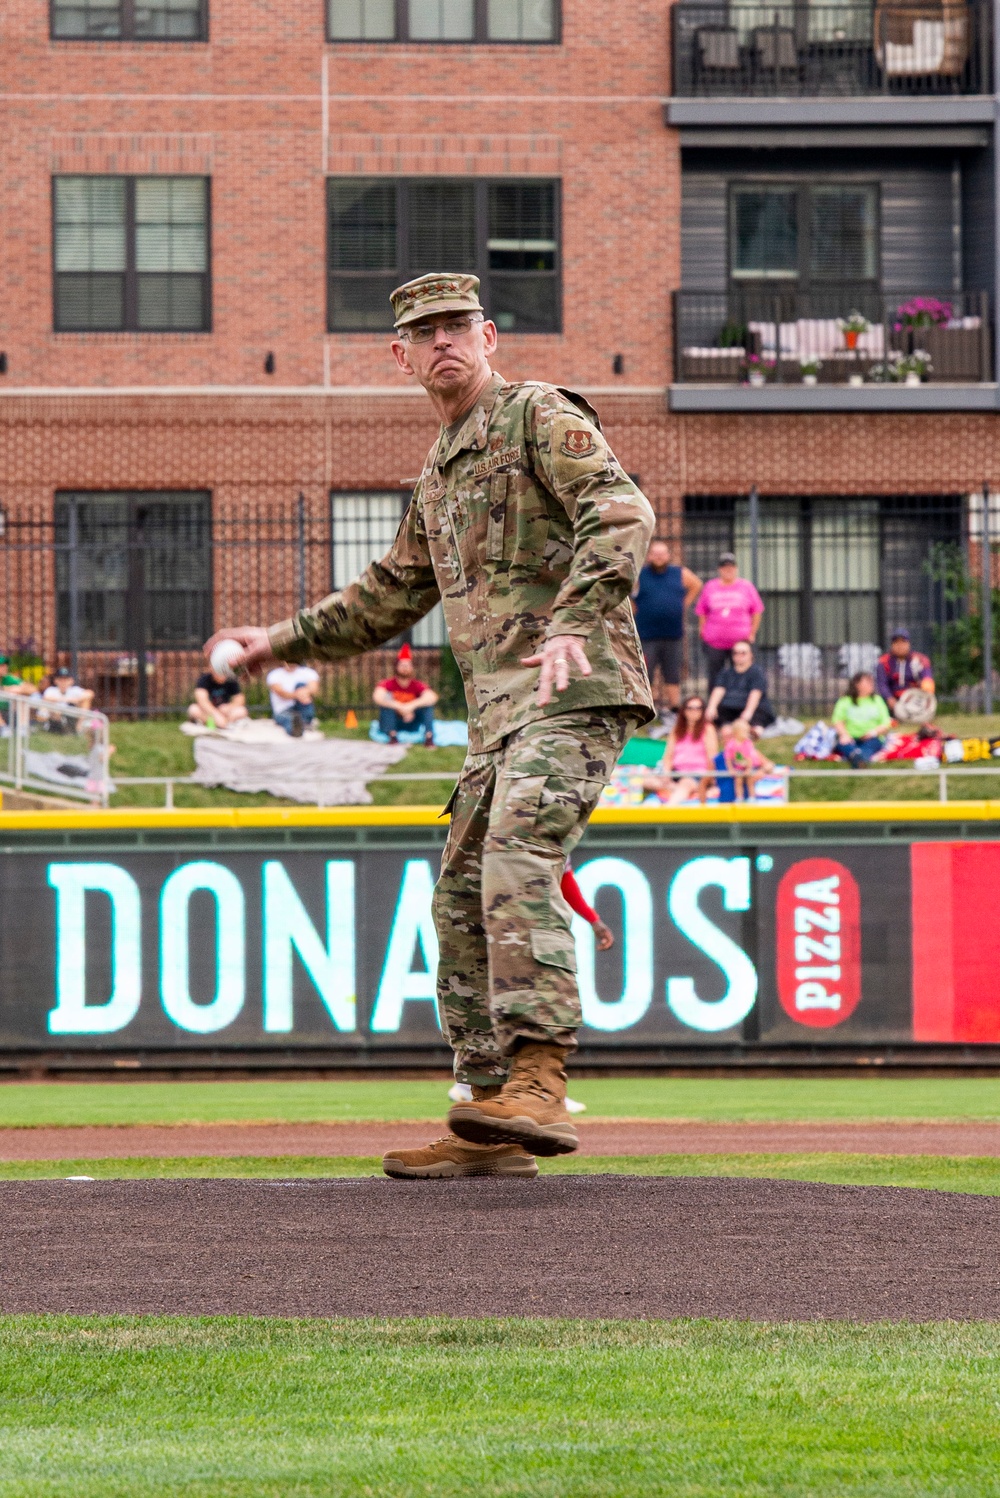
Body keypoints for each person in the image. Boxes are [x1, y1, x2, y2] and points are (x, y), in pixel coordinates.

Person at [206, 269, 655, 1181]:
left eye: (459, 324)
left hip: (575, 691)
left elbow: (622, 511)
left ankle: (539, 1076)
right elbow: (387, 595)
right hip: (499, 721)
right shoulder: (439, 471)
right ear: (400, 354)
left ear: (488, 336)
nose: (444, 340)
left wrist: (575, 618)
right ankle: (487, 1117)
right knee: (456, 899)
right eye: (426, 330)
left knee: (516, 852)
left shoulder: (535, 415)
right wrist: (276, 644)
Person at [631, 538, 701, 723]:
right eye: (655, 553)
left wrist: (683, 605)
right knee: (646, 673)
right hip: (647, 635)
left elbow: (697, 585)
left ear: (668, 556)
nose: (659, 557)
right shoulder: (640, 574)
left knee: (672, 673)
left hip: (673, 634)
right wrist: (635, 609)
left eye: (662, 553)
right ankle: (648, 709)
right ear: (649, 556)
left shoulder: (679, 573)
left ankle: (673, 710)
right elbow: (626, 592)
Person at [695, 552, 764, 688]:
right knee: (715, 675)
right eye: (724, 567)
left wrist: (752, 632)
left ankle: (739, 703)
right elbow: (702, 611)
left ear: (736, 569)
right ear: (719, 569)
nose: (728, 570)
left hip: (740, 640)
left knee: (741, 673)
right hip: (715, 641)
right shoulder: (710, 586)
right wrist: (702, 630)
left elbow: (757, 611)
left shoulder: (746, 586)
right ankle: (716, 706)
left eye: (731, 567)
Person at [643, 694, 718, 805]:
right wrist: (667, 774)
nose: (694, 711)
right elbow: (668, 756)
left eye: (698, 708)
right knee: (645, 780)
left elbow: (712, 757)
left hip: (698, 774)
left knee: (686, 784)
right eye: (690, 708)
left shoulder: (708, 729)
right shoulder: (676, 730)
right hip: (676, 773)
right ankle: (686, 791)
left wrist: (709, 779)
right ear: (684, 710)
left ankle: (668, 810)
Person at [373, 643, 439, 746]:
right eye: (402, 665)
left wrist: (411, 706)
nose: (405, 668)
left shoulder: (417, 685)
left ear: (412, 668)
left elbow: (432, 697)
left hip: (412, 721)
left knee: (427, 704)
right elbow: (377, 697)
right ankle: (392, 737)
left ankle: (429, 738)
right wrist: (400, 707)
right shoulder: (387, 684)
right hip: (394, 721)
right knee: (386, 701)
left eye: (408, 665)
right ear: (396, 667)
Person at [705, 639, 776, 732]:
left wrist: (748, 713)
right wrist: (711, 707)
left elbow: (755, 694)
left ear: (751, 654)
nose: (739, 656)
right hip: (729, 708)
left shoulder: (757, 672)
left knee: (758, 721)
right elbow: (718, 690)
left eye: (743, 653)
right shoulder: (726, 672)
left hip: (752, 709)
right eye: (736, 653)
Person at [832, 671, 892, 765]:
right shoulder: (845, 701)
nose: (871, 684)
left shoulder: (877, 700)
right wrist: (844, 734)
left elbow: (885, 723)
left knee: (871, 745)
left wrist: (873, 733)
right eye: (867, 681)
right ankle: (857, 757)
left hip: (872, 737)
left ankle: (860, 759)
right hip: (850, 737)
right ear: (857, 684)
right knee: (843, 744)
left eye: (872, 681)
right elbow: (838, 721)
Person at [876, 631, 936, 721]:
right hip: (893, 698)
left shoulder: (920, 659)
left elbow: (927, 676)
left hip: (914, 697)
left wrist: (927, 683)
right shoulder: (884, 661)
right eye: (896, 642)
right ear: (892, 645)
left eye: (903, 642)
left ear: (909, 644)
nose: (900, 646)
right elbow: (882, 684)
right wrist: (889, 698)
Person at [724, 718, 776, 801]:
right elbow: (728, 758)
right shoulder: (731, 745)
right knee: (738, 781)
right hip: (738, 767)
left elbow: (749, 758)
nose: (746, 734)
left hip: (749, 766)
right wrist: (731, 769)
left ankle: (752, 797)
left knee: (749, 780)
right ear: (737, 733)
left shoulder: (747, 743)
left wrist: (749, 768)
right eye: (744, 732)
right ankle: (739, 798)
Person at [267, 660, 320, 737]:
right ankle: (295, 729)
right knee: (288, 719)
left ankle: (305, 721)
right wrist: (299, 694)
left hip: (300, 707)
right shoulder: (275, 675)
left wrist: (303, 692)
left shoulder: (308, 673)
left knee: (300, 685)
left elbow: (314, 688)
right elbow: (280, 692)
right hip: (283, 709)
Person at [187, 664, 248, 730]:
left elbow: (239, 699)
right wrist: (215, 714)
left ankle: (219, 723)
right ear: (212, 669)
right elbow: (202, 701)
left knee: (242, 711)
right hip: (209, 712)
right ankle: (220, 723)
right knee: (193, 709)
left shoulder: (231, 680)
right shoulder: (204, 680)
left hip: (224, 712)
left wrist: (229, 707)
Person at [40, 666, 95, 732]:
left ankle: (79, 728)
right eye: (60, 680)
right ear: (56, 681)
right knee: (54, 709)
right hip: (55, 719)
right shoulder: (51, 690)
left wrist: (77, 700)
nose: (63, 682)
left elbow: (90, 693)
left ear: (71, 681)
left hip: (71, 717)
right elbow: (46, 698)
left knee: (85, 702)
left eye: (66, 679)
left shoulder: (74, 690)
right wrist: (67, 699)